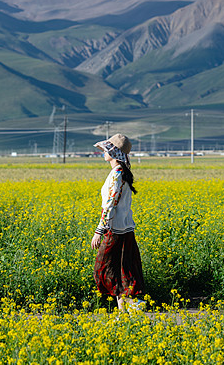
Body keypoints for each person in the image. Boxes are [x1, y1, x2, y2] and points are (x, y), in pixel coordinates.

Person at [90, 133, 146, 312]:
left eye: (107, 149)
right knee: (120, 270)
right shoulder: (122, 173)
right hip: (125, 229)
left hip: (114, 230)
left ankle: (133, 304)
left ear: (114, 153)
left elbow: (110, 204)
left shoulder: (117, 174)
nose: (103, 152)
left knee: (104, 269)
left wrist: (100, 230)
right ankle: (123, 313)